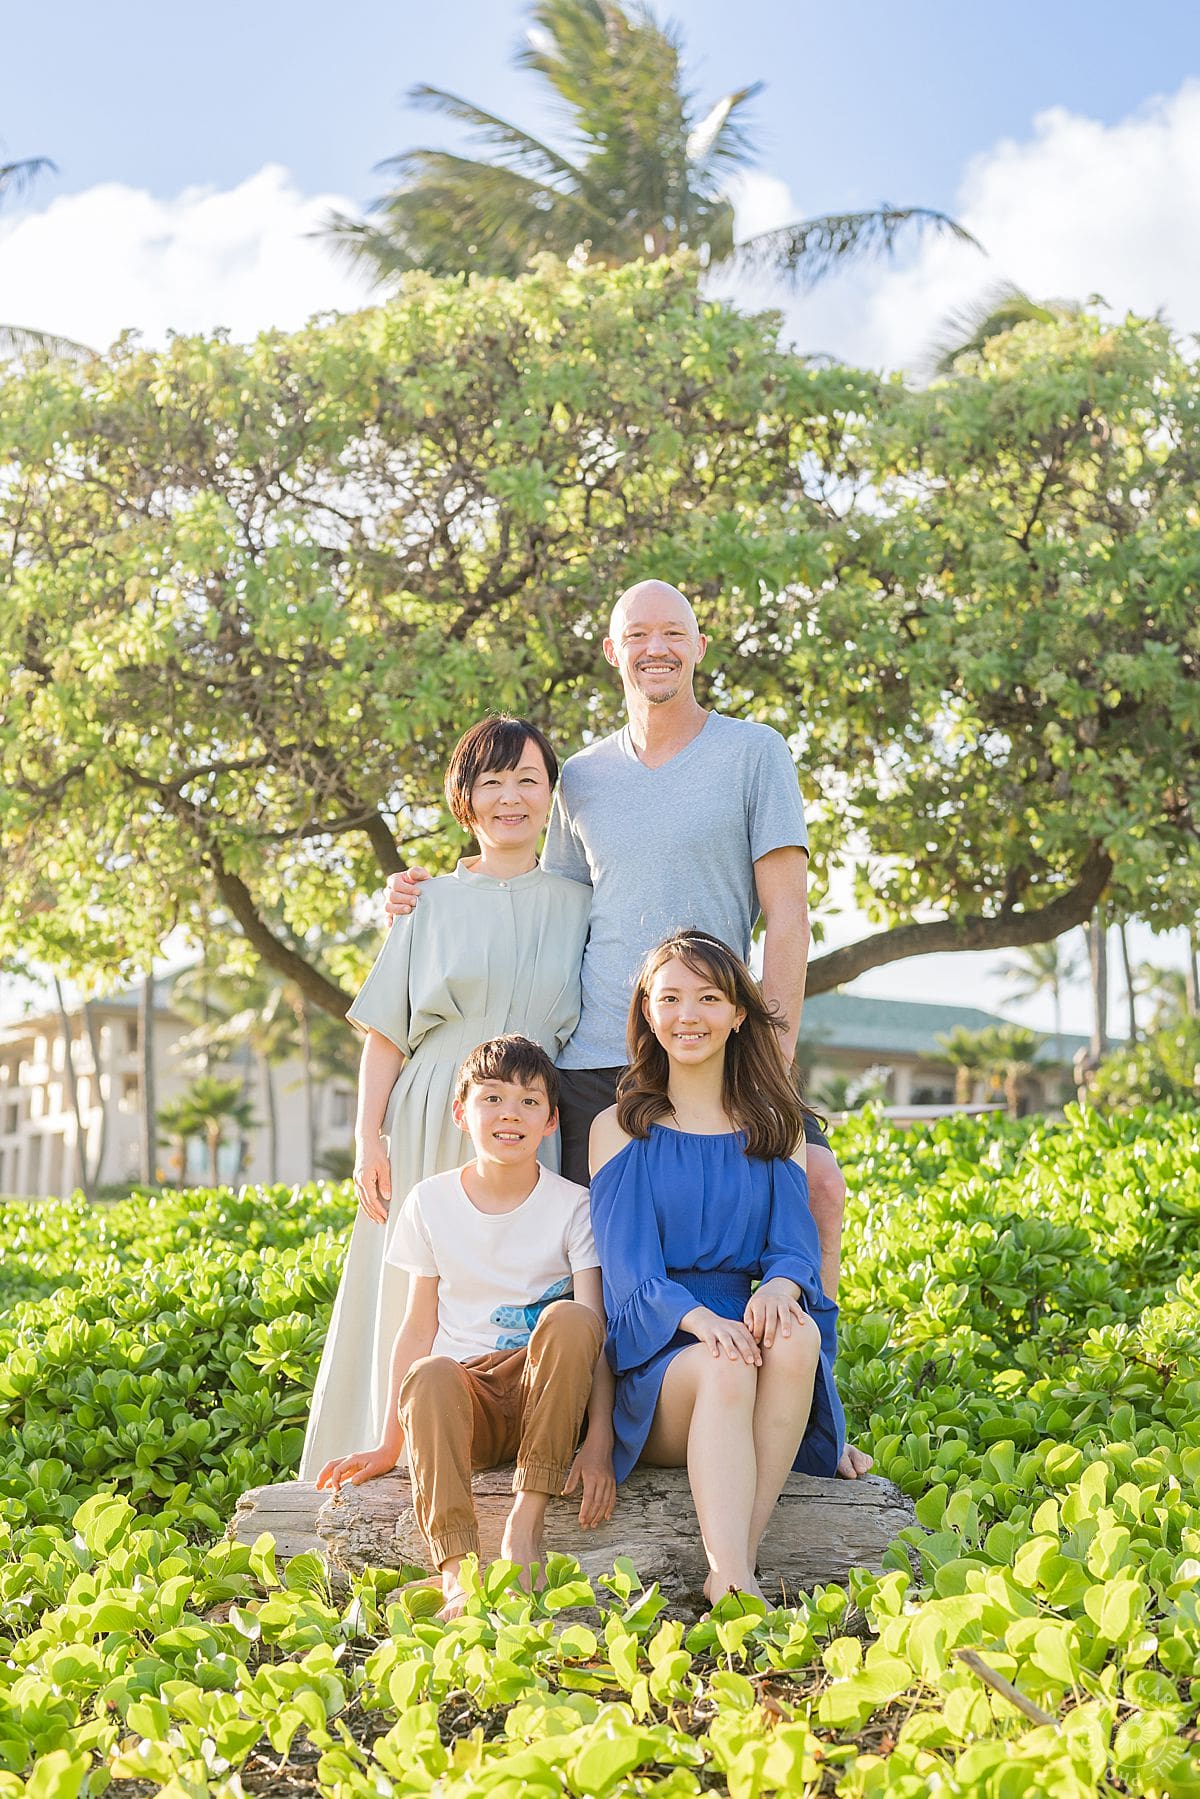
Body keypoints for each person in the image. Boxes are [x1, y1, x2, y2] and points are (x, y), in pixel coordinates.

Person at [386, 578, 870, 1478]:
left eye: (673, 632)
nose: (656, 647)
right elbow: (546, 896)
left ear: (698, 644)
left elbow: (788, 919)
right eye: (637, 634)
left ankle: (816, 1417)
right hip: (596, 1057)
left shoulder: (754, 753)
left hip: (719, 1043)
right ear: (613, 651)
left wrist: (772, 1056)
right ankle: (593, 1432)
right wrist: (437, 891)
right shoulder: (581, 777)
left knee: (818, 1189)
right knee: (593, 1254)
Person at [298, 716, 591, 1478]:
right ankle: (387, 1449)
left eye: (527, 780)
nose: (510, 797)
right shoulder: (425, 900)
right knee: (410, 1285)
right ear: (465, 798)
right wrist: (369, 1138)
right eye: (491, 782)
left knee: (528, 1279)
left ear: (552, 795)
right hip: (434, 1109)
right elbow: (385, 1034)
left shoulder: (582, 902)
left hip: (531, 1114)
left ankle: (510, 1448)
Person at [317, 1035, 614, 1619]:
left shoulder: (575, 1206)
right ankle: (456, 1570)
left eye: (530, 1101)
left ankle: (525, 1524)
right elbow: (416, 1328)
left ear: (552, 1120)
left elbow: (596, 1335)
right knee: (430, 1372)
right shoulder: (429, 1202)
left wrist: (600, 1443)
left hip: (544, 1393)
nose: (510, 1114)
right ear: (461, 1112)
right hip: (466, 1397)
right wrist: (389, 1442)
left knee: (571, 1317)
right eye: (492, 1098)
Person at [588, 930, 843, 1606]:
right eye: (670, 998)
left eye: (707, 998)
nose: (688, 1015)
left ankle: (733, 1567)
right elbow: (630, 1276)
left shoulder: (777, 1126)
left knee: (796, 1333)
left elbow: (794, 1248)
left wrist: (781, 1286)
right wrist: (701, 1322)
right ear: (648, 1012)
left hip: (748, 1341)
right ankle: (734, 1572)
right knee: (726, 1364)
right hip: (664, 1358)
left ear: (737, 1014)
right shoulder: (619, 1128)